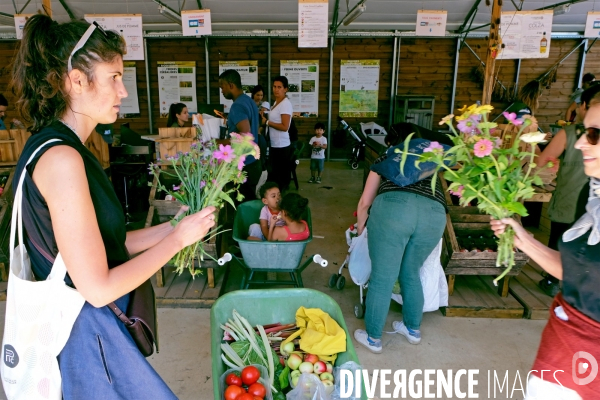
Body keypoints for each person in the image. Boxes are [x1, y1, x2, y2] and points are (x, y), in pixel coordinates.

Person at [10, 15, 216, 398]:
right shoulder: (63, 159)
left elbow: (105, 244)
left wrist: (178, 228)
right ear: (76, 80)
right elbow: (98, 288)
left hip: (87, 330)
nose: (123, 92)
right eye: (114, 77)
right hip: (85, 338)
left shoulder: (59, 146)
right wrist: (175, 244)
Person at [490, 95, 600, 399]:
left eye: (594, 134)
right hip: (561, 348)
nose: (578, 145)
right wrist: (524, 239)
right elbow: (573, 269)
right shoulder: (591, 201)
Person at [353, 147, 447, 354]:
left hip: (395, 208)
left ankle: (373, 338)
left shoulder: (388, 155)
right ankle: (412, 330)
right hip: (435, 213)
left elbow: (365, 202)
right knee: (411, 272)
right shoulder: (430, 156)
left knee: (383, 277)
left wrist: (361, 232)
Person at [535, 85, 600, 296]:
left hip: (568, 199)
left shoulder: (569, 132)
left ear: (582, 106)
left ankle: (552, 281)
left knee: (560, 240)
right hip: (582, 203)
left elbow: (542, 162)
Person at [219, 69, 262, 201]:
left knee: (243, 208)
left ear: (231, 85)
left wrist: (219, 142)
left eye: (223, 87)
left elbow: (244, 136)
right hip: (253, 163)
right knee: (249, 204)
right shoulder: (248, 101)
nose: (222, 91)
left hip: (245, 166)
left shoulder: (237, 106)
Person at [262, 76, 293, 191]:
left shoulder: (285, 104)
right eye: (274, 87)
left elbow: (285, 127)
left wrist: (267, 122)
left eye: (279, 87)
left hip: (282, 147)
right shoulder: (276, 102)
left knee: (281, 181)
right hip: (275, 145)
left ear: (285, 89)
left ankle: (281, 205)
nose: (276, 89)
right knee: (275, 178)